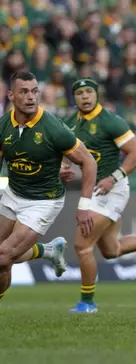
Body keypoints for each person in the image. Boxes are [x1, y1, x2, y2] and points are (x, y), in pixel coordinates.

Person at [62, 78, 136, 313]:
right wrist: (62, 166)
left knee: (81, 245)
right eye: (80, 93)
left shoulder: (111, 121)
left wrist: (113, 178)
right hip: (93, 188)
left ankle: (87, 303)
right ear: (74, 97)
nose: (85, 96)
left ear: (97, 95)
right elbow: (61, 149)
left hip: (112, 189)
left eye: (89, 92)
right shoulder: (69, 122)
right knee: (111, 251)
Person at [0, 71, 97, 300]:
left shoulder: (54, 128)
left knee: (3, 256)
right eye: (24, 92)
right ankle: (48, 250)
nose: (31, 97)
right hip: (13, 194)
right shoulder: (3, 126)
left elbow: (88, 162)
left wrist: (84, 205)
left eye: (35, 91)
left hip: (43, 201)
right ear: (11, 95)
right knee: (2, 260)